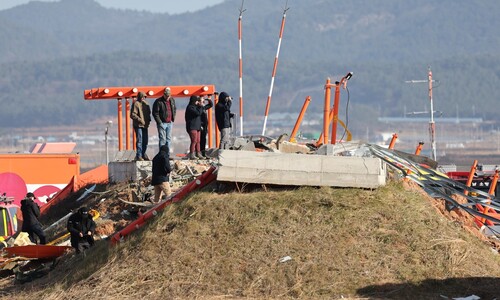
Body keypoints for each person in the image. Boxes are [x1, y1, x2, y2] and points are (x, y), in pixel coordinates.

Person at [153, 87, 177, 152]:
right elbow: (155, 113)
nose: (167, 97)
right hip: (162, 123)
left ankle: (167, 154)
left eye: (168, 96)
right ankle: (162, 154)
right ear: (164, 94)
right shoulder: (158, 101)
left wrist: (173, 118)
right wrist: (159, 122)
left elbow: (174, 109)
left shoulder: (172, 100)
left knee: (168, 139)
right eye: (166, 96)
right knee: (162, 139)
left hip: (170, 122)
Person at [130, 91, 151, 161]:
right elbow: (132, 115)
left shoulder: (146, 104)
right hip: (138, 125)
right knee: (140, 140)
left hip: (145, 126)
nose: (143, 98)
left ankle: (143, 154)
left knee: (145, 141)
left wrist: (148, 120)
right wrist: (140, 120)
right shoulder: (136, 104)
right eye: (142, 97)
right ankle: (139, 155)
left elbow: (148, 113)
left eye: (144, 97)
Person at [185, 95, 204, 160]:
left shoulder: (196, 107)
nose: (197, 102)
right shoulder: (190, 108)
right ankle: (192, 154)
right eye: (197, 101)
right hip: (192, 127)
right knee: (194, 141)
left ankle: (198, 153)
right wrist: (200, 106)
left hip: (197, 127)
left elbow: (201, 111)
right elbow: (198, 113)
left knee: (198, 141)